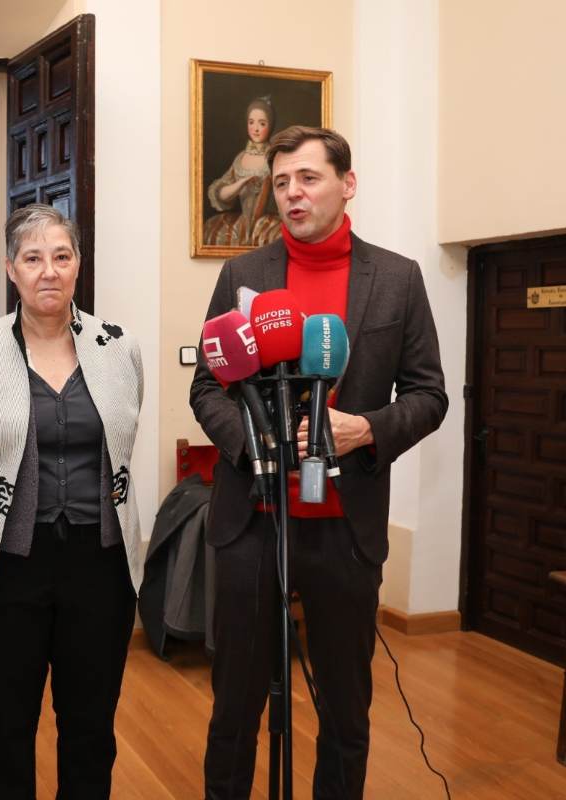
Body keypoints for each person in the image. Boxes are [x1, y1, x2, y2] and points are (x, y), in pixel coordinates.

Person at [190, 126, 448, 799]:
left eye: (306, 178)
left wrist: (365, 428)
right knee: (234, 709)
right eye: (279, 183)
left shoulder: (396, 278)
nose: (291, 194)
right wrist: (253, 441)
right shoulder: (240, 275)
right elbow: (206, 388)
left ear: (346, 183)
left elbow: (428, 396)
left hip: (345, 527)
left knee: (344, 710)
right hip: (251, 521)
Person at [0, 204, 144, 798]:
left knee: (90, 726)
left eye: (62, 255)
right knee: (5, 725)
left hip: (101, 565)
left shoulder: (119, 346)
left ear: (79, 265)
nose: (48, 271)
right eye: (32, 258)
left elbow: (122, 446)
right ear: (11, 269)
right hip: (5, 567)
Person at [204, 96, 282, 248]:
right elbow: (220, 193)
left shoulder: (275, 157)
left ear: (270, 126)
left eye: (262, 123)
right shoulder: (240, 157)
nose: (256, 128)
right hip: (243, 224)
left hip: (267, 223)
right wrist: (239, 184)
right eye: (251, 122)